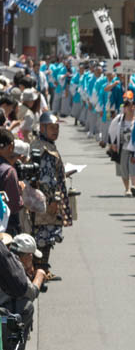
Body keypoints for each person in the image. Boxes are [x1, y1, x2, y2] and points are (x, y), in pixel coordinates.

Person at [30, 112, 72, 267]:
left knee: (42, 235)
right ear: (42, 128)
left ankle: (41, 268)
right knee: (45, 236)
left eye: (57, 128)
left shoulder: (41, 144)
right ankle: (41, 269)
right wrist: (53, 200)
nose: (56, 131)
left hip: (38, 199)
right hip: (45, 201)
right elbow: (47, 180)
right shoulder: (45, 150)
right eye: (52, 127)